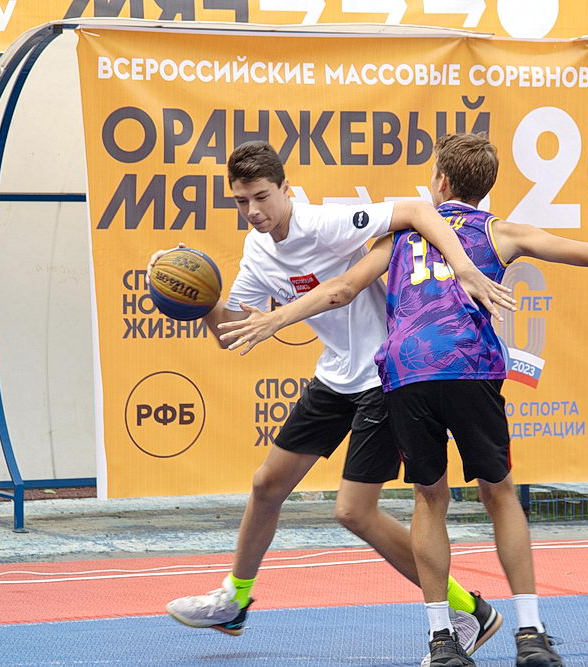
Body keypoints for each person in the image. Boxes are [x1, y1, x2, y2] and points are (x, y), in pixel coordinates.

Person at [218, 133, 588, 666]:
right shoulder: (501, 232)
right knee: (500, 494)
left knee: (430, 500)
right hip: (469, 368)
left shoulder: (400, 237)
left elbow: (342, 289)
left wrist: (274, 319)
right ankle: (530, 632)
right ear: (486, 188)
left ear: (439, 181)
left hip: (407, 371)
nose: (253, 208)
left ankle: (442, 639)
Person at [150, 141, 513, 659]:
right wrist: (200, 300)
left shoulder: (327, 223)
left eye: (262, 197)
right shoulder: (257, 252)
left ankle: (468, 608)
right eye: (241, 201)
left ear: (285, 189)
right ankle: (235, 599)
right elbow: (232, 333)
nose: (253, 210)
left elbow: (417, 211)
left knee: (354, 511)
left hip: (385, 375)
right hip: (337, 375)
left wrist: (464, 268)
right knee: (267, 484)